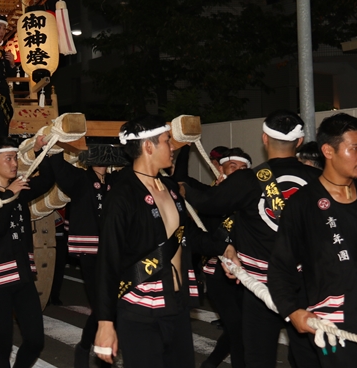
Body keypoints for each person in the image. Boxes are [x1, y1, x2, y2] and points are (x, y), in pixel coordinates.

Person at [184, 110, 322, 368]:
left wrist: (181, 188)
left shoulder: (247, 180)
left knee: (258, 357)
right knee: (308, 357)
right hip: (304, 284)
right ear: (300, 141)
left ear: (264, 139)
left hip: (260, 286)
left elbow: (208, 202)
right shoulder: (319, 181)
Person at [94, 115, 224, 368]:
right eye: (167, 141)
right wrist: (105, 323)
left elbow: (185, 234)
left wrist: (224, 248)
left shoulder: (169, 187)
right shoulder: (122, 196)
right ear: (148, 146)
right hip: (139, 309)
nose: (172, 147)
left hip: (177, 304)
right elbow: (107, 261)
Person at [270, 113, 357, 367]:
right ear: (328, 151)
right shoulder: (303, 204)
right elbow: (281, 265)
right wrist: (292, 310)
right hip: (333, 322)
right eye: (355, 148)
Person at [0, 136, 55, 368]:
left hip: (23, 275)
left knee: (35, 340)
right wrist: (9, 194)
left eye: (15, 158)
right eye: (8, 159)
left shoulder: (19, 189)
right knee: (3, 343)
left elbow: (47, 180)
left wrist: (40, 151)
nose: (14, 163)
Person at [47, 148, 125, 367]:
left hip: (113, 249)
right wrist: (55, 147)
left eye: (105, 158)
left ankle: (92, 349)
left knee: (113, 304)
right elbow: (59, 168)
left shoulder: (115, 180)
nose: (102, 161)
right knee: (102, 305)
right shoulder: (81, 178)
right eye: (98, 157)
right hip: (89, 250)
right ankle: (85, 348)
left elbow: (138, 171)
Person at [196, 147, 252, 368]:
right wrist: (219, 196)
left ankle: (210, 363)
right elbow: (204, 232)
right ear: (221, 169)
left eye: (243, 168)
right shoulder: (210, 195)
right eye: (232, 167)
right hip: (217, 272)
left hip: (245, 272)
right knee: (237, 327)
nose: (238, 172)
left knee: (241, 327)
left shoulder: (252, 197)